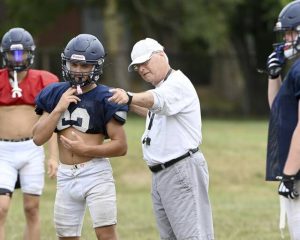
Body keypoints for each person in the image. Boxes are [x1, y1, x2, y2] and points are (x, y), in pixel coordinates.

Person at [108, 37, 214, 240]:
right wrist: (122, 101)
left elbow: (156, 100)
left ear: (162, 55)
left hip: (181, 170)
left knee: (193, 236)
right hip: (163, 174)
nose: (141, 69)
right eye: (137, 66)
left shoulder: (177, 84)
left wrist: (129, 96)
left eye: (145, 62)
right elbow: (153, 110)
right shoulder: (163, 88)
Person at [32, 33, 128, 240]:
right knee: (66, 236)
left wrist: (87, 150)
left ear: (96, 66)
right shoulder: (55, 93)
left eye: (85, 66)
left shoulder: (106, 97)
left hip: (95, 174)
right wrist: (59, 108)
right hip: (65, 175)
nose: (77, 70)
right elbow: (38, 138)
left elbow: (121, 146)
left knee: (106, 236)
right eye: (74, 64)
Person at [0, 27, 59, 240]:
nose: (17, 58)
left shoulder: (43, 80)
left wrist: (53, 156)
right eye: (12, 53)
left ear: (29, 53)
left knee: (32, 208)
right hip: (3, 151)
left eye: (21, 53)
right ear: (4, 54)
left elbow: (50, 122)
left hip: (32, 149)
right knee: (1, 207)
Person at [266, 1, 300, 239]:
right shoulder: (295, 68)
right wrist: (273, 76)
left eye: (291, 32)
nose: (287, 38)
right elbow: (277, 109)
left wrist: (289, 174)